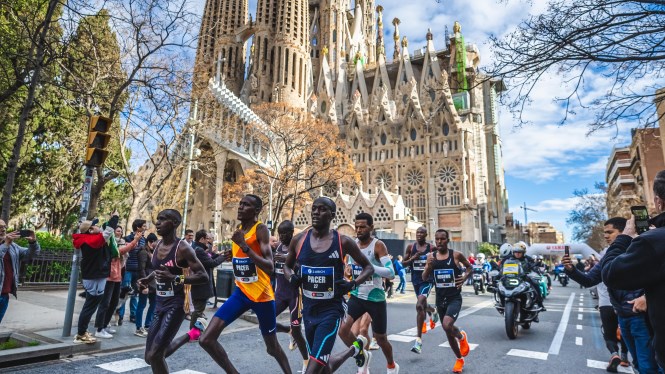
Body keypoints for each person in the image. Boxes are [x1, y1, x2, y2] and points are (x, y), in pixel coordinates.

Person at [198, 195, 292, 373]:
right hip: (241, 293)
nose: (240, 207)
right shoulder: (239, 230)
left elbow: (269, 267)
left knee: (272, 349)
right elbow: (243, 259)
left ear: (256, 211)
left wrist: (244, 246)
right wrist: (232, 254)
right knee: (206, 339)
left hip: (262, 296)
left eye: (246, 205)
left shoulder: (261, 229)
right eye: (240, 204)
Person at [283, 196, 374, 374]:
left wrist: (353, 284)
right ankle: (354, 350)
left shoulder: (343, 242)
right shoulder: (299, 240)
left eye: (322, 209)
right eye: (314, 208)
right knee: (324, 368)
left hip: (331, 311)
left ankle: (354, 350)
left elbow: (368, 268)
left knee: (314, 367)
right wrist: (290, 276)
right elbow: (287, 266)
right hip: (309, 310)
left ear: (332, 215)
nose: (316, 212)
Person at [602, 169, 665, 372]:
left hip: (647, 329)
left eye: (610, 233)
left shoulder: (650, 241)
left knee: (646, 366)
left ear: (658, 202)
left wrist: (626, 238)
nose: (606, 237)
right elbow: (591, 277)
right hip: (626, 315)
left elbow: (610, 274)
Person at [137, 209, 209, 373]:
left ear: (175, 224)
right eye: (158, 219)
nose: (158, 223)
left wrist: (176, 279)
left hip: (177, 304)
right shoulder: (158, 245)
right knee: (150, 357)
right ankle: (192, 334)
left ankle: (193, 333)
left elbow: (202, 276)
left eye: (163, 219)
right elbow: (162, 270)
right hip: (160, 303)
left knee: (156, 354)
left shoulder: (183, 248)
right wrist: (148, 279)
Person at [563, 217, 632, 372]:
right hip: (611, 303)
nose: (606, 236)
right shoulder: (606, 255)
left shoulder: (639, 248)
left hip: (639, 311)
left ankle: (618, 354)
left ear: (624, 231)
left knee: (646, 356)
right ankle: (621, 356)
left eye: (610, 232)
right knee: (642, 360)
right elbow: (589, 280)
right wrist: (571, 269)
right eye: (604, 233)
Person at [338, 213, 399, 374]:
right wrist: (348, 270)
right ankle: (362, 354)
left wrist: (371, 268)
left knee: (381, 338)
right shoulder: (353, 245)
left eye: (362, 227)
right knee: (343, 331)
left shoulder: (378, 246)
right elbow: (351, 269)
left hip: (375, 298)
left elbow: (391, 273)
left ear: (371, 228)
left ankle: (391, 365)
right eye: (356, 226)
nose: (358, 230)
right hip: (357, 296)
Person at [422, 229, 472, 373]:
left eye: (442, 239)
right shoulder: (431, 257)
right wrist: (428, 266)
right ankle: (459, 359)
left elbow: (469, 267)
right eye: (437, 239)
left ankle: (461, 337)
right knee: (447, 330)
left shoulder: (456, 255)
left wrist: (464, 277)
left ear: (447, 240)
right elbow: (425, 277)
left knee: (446, 324)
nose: (439, 242)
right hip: (440, 299)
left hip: (454, 298)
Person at [72, 213, 118, 344]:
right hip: (94, 275)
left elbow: (105, 232)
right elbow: (108, 231)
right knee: (90, 305)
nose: (98, 226)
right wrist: (115, 218)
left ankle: (82, 331)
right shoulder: (92, 241)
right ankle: (81, 333)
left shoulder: (91, 238)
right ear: (91, 230)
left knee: (91, 304)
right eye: (95, 225)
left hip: (96, 275)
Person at [273, 220, 309, 373]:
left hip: (295, 295)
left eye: (285, 233)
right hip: (280, 294)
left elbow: (304, 268)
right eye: (280, 233)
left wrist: (294, 267)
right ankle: (288, 331)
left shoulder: (299, 248)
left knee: (297, 330)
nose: (281, 236)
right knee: (265, 322)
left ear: (292, 232)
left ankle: (306, 361)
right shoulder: (278, 247)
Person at [95, 226, 142, 339]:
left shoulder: (119, 243)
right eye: (117, 231)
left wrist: (134, 242)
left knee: (114, 303)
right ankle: (99, 328)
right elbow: (121, 251)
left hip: (117, 276)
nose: (119, 233)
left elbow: (127, 249)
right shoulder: (108, 244)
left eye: (121, 231)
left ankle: (105, 325)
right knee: (105, 303)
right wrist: (135, 240)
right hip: (109, 277)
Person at [402, 226, 438, 353]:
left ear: (426, 234)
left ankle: (418, 341)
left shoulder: (431, 248)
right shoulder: (411, 247)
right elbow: (402, 264)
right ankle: (433, 310)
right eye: (417, 232)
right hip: (416, 280)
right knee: (422, 304)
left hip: (427, 281)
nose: (419, 234)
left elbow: (439, 261)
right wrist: (413, 258)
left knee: (419, 305)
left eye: (422, 232)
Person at [0, 220, 40, 324]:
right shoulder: (7, 244)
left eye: (4, 226)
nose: (3, 229)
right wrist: (5, 244)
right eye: (0, 227)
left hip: (4, 294)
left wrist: (33, 242)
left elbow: (30, 254)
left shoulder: (12, 246)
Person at [190, 229, 224, 329]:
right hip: (201, 284)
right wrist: (223, 257)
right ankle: (193, 332)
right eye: (207, 239)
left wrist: (219, 255)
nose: (208, 241)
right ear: (202, 239)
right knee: (198, 310)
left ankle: (196, 331)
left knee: (199, 310)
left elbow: (208, 260)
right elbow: (211, 263)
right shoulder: (198, 249)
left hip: (199, 284)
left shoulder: (197, 248)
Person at [121, 219, 147, 324]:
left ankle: (133, 315)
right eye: (144, 226)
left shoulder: (143, 240)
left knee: (135, 294)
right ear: (138, 228)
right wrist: (134, 241)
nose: (145, 228)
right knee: (125, 293)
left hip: (138, 270)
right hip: (128, 269)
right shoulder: (128, 238)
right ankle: (120, 316)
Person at [508, 243, 546, 311]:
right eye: (515, 252)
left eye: (519, 252)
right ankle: (501, 302)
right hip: (511, 278)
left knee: (536, 285)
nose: (517, 254)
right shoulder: (508, 259)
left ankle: (540, 303)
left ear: (523, 253)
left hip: (524, 278)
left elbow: (534, 266)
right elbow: (502, 267)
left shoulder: (528, 259)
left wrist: (535, 269)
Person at [134, 233, 159, 337]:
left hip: (154, 283)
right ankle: (139, 328)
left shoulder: (153, 252)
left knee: (153, 304)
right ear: (150, 242)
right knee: (142, 305)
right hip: (146, 283)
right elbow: (142, 269)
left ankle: (148, 325)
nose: (157, 246)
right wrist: (144, 285)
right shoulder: (143, 252)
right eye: (155, 244)